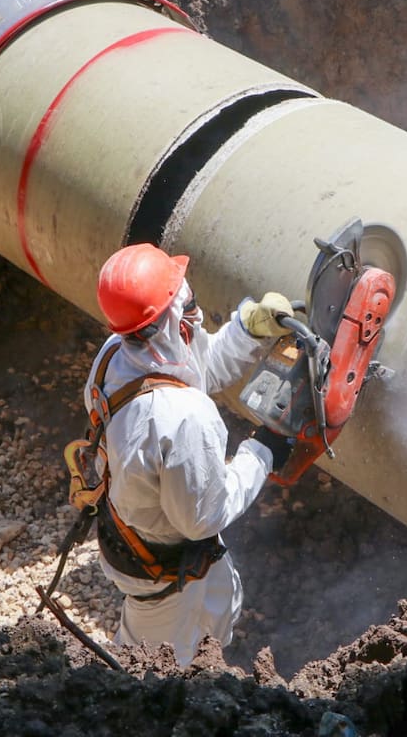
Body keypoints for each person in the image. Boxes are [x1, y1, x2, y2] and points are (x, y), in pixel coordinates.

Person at [84, 242, 295, 666]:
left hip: (140, 542)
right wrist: (262, 452)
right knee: (154, 674)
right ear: (172, 320)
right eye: (188, 304)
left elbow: (195, 369)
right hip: (168, 579)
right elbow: (203, 518)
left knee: (210, 623)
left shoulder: (116, 356)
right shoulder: (182, 418)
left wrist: (247, 330)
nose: (195, 312)